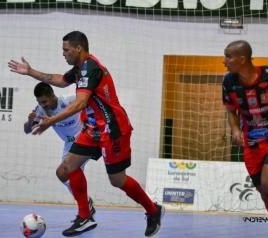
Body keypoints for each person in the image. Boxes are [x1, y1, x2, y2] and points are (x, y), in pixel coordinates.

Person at [9, 31, 163, 237]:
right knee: (67, 168)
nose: (63, 53)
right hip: (93, 129)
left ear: (78, 48)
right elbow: (60, 80)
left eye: (66, 50)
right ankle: (85, 216)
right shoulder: (80, 68)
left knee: (117, 180)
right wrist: (30, 72)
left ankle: (153, 210)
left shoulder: (90, 68)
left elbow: (80, 103)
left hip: (112, 129)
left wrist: (51, 121)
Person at [222, 40, 268, 238]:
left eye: (228, 56)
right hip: (251, 144)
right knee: (266, 195)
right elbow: (230, 110)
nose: (224, 61)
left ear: (242, 58)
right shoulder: (229, 82)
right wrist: (236, 129)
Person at [23, 82, 95, 215]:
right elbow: (27, 130)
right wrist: (29, 122)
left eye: (44, 101)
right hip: (69, 144)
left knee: (70, 172)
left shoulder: (69, 100)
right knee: (62, 175)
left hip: (84, 138)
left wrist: (91, 123)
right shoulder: (40, 109)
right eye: (40, 102)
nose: (43, 105)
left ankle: (84, 211)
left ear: (52, 95)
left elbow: (89, 101)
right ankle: (85, 204)